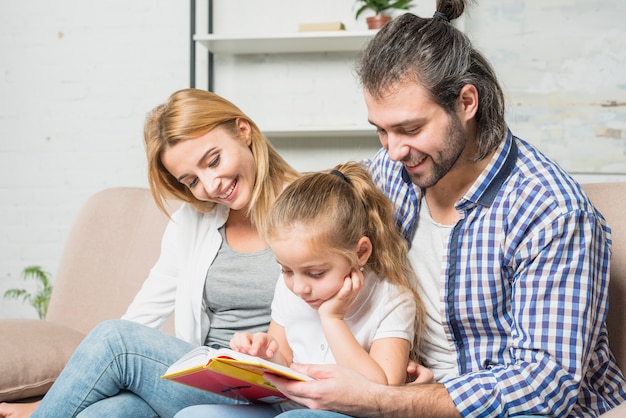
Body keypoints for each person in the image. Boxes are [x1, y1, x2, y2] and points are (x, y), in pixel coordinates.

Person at [265, 4, 626, 417]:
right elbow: (312, 227)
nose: (394, 149)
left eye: (411, 128)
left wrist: (390, 400)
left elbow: (543, 386)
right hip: (405, 392)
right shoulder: (390, 173)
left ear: (466, 102)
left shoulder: (549, 210)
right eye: (381, 130)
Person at [0, 88, 299, 418]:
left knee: (114, 339)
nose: (211, 185)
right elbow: (140, 318)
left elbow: (119, 342)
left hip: (271, 390)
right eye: (191, 180)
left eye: (213, 160)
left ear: (244, 131)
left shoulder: (314, 208)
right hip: (202, 381)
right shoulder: (191, 223)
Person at [174, 162, 425, 418]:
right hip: (287, 408)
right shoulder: (289, 288)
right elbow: (284, 362)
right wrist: (263, 354)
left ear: (360, 252)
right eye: (286, 270)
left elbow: (383, 391)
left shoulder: (392, 300)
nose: (299, 287)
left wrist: (332, 319)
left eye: (316, 273)